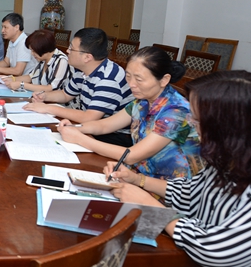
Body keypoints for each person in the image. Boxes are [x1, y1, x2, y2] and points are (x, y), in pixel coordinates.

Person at [102, 70, 251, 267]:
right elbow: (188, 193)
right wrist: (137, 180)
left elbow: (219, 251)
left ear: (227, 126)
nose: (192, 124)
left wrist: (152, 207)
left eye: (197, 119)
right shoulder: (231, 158)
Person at [58, 46, 202, 180]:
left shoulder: (177, 111)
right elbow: (105, 125)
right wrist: (75, 128)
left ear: (164, 80)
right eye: (128, 76)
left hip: (168, 187)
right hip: (137, 176)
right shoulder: (142, 101)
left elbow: (132, 156)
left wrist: (80, 138)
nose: (131, 84)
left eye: (139, 79)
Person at [24, 27, 134, 146]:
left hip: (115, 135)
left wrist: (48, 108)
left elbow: (89, 117)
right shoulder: (82, 70)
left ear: (87, 57)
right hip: (92, 126)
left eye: (72, 48)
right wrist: (45, 96)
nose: (67, 51)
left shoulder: (108, 79)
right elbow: (65, 95)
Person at [1, 29, 71, 93]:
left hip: (54, 100)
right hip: (41, 97)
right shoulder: (42, 59)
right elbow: (31, 77)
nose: (32, 54)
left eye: (34, 51)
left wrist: (22, 85)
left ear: (43, 49)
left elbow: (51, 88)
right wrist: (11, 79)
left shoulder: (62, 61)